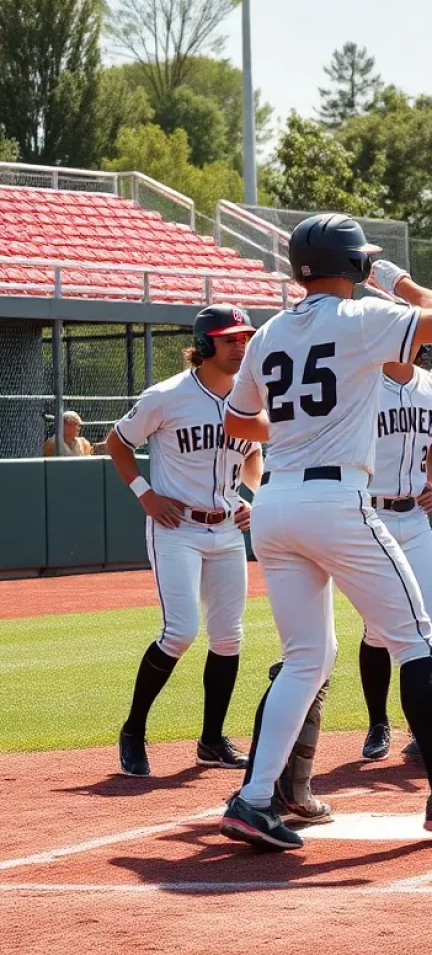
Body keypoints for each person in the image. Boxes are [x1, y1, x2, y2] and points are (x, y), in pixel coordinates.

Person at [218, 215, 432, 850]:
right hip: (336, 500)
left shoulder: (268, 332)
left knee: (306, 657)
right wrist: (398, 280)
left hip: (275, 502)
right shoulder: (359, 317)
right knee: (418, 642)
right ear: (351, 264)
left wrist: (298, 432)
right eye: (363, 260)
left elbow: (238, 425)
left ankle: (252, 799)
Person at [106, 305, 262, 777]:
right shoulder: (166, 395)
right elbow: (117, 441)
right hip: (177, 527)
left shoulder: (250, 395)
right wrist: (144, 493)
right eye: (230, 339)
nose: (240, 346)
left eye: (244, 338)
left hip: (227, 527)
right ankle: (133, 730)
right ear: (204, 343)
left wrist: (257, 496)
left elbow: (251, 453)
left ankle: (212, 741)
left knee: (228, 637)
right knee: (180, 632)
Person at [359, 342, 432, 761]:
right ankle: (378, 722)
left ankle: (423, 726)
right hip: (372, 514)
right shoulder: (362, 383)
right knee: (378, 629)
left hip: (414, 517)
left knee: (428, 624)